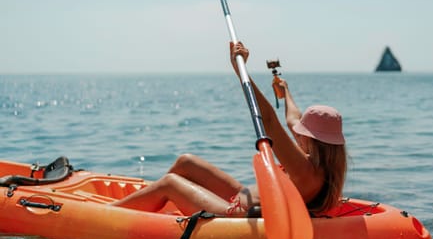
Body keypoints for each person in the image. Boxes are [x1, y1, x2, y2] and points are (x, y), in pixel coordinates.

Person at [111, 42, 347, 216]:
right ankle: (159, 206)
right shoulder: (319, 163)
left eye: (303, 135)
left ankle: (110, 213)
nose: (298, 134)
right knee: (187, 162)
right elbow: (292, 120)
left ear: (312, 141)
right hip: (243, 196)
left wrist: (240, 69)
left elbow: (269, 119)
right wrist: (285, 93)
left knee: (170, 183)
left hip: (235, 214)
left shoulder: (305, 171)